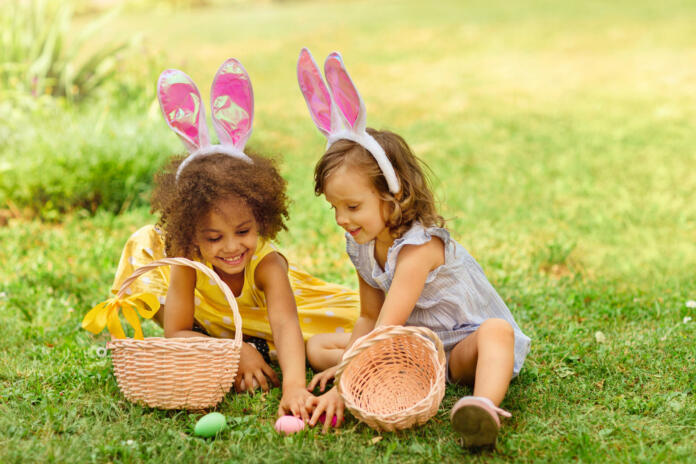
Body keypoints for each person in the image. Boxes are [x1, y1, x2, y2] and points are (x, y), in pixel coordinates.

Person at [297, 49, 531, 444]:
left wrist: (344, 386)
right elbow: (369, 319)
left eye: (353, 206)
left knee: (497, 332)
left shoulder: (417, 249)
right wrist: (346, 365)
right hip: (415, 346)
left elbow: (386, 326)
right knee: (318, 347)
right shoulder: (362, 245)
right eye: (334, 207)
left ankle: (482, 407)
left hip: (460, 346)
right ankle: (407, 369)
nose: (341, 219)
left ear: (394, 194)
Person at [110, 58, 359, 420]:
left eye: (243, 232)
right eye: (213, 237)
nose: (231, 247)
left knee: (344, 336)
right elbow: (175, 332)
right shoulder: (187, 258)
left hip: (298, 312)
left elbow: (287, 325)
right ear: (191, 234)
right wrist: (236, 349)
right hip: (234, 328)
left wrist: (293, 386)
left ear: (260, 218)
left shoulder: (267, 264)